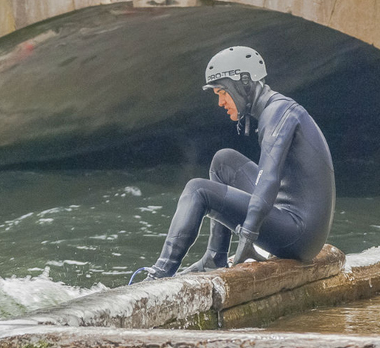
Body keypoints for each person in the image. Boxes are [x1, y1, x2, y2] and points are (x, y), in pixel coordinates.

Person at [132, 46, 335, 282]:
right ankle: (214, 257)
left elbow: (268, 177)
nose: (220, 102)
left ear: (244, 83)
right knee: (223, 161)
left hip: (300, 235)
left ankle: (159, 275)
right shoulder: (277, 108)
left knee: (198, 190)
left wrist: (248, 235)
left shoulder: (278, 113)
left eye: (222, 93)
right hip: (296, 223)